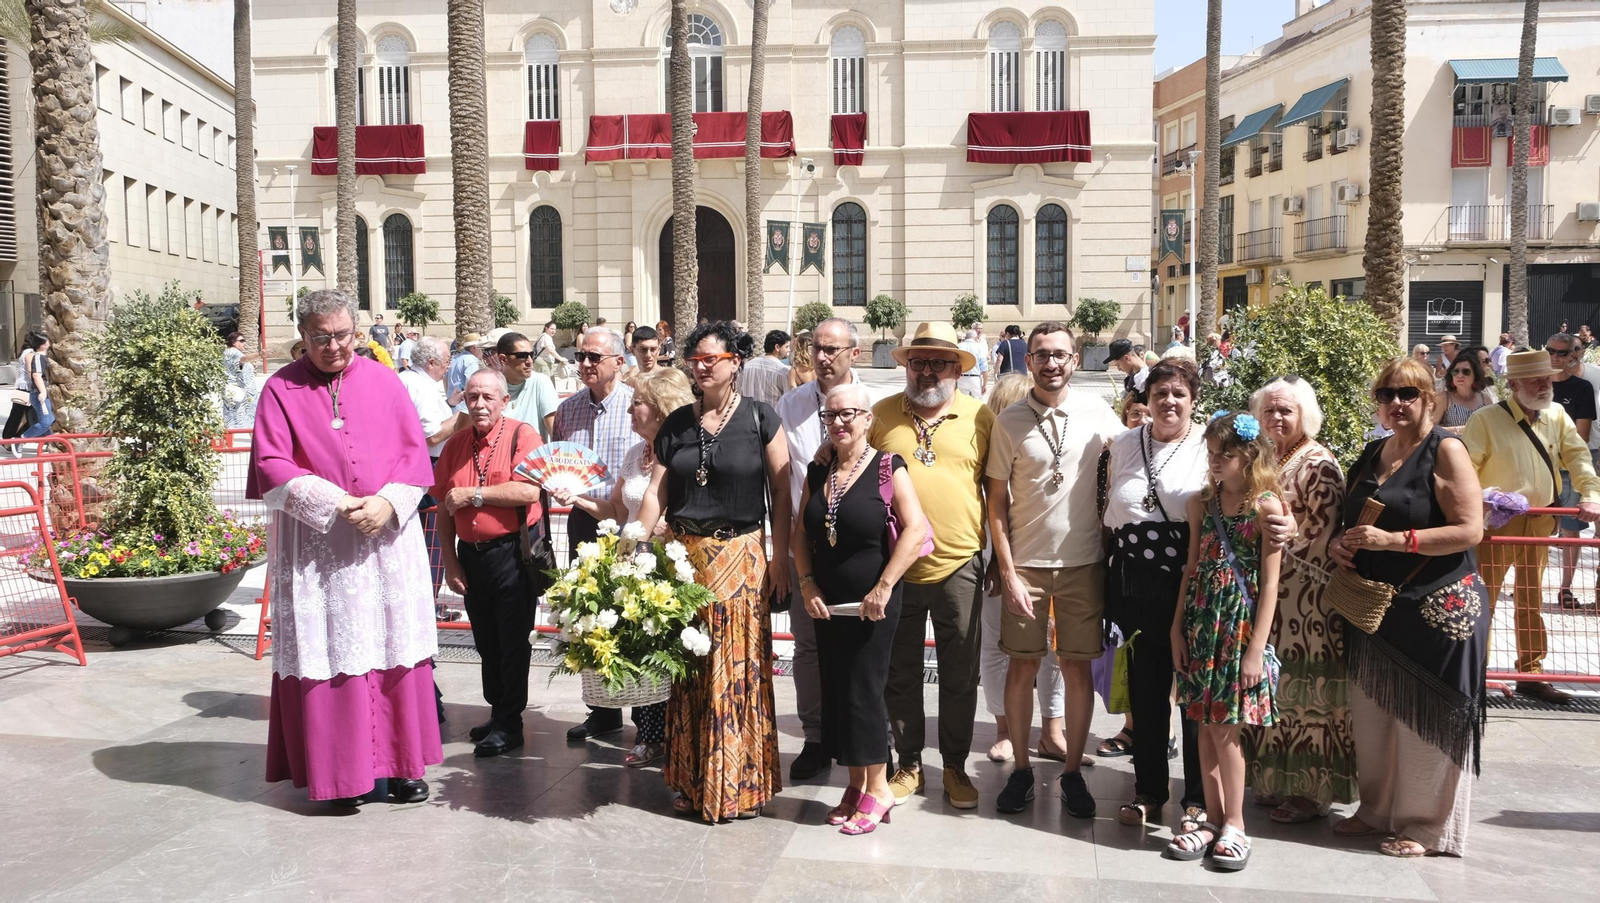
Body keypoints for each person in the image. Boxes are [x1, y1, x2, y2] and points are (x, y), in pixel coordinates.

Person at [246, 288, 441, 806]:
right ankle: (339, 775)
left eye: (342, 335)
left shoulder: (385, 381)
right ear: (303, 336)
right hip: (319, 550)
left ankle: (401, 766)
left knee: (391, 645)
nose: (333, 346)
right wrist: (335, 502)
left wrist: (389, 505)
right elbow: (270, 466)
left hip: (384, 545)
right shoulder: (280, 389)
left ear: (355, 331)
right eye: (320, 338)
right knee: (329, 650)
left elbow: (415, 458)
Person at [1328, 356, 1488, 858]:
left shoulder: (1446, 449)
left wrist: (1394, 541)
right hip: (1375, 608)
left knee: (1429, 722)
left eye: (1408, 393)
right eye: (1386, 394)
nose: (1396, 403)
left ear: (1430, 398)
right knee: (1373, 715)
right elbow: (1347, 520)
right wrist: (1339, 545)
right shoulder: (1373, 452)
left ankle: (1425, 826)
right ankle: (1376, 810)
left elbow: (1469, 529)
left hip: (1438, 608)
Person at [633, 322, 791, 822]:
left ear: (735, 362)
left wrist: (782, 558)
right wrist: (633, 538)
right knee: (691, 674)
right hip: (685, 563)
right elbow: (657, 491)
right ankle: (691, 778)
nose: (702, 366)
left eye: (712, 358)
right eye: (695, 358)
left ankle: (739, 783)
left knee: (736, 672)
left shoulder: (763, 418)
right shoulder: (678, 422)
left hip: (741, 558)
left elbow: (784, 493)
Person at [986, 322, 1124, 817]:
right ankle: (1021, 769)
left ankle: (1070, 775)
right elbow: (995, 504)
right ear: (1029, 361)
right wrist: (1007, 571)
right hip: (1027, 566)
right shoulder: (1009, 423)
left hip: (1084, 564)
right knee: (1022, 666)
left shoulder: (1098, 413)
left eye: (1060, 354)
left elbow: (1142, 451)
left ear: (1075, 358)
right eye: (1042, 355)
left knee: (1076, 667)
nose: (1051, 363)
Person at [793, 383, 928, 835]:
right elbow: (800, 535)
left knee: (865, 691)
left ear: (869, 419)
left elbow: (915, 529)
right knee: (837, 690)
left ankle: (879, 787)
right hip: (827, 603)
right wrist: (808, 584)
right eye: (830, 416)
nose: (839, 423)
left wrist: (885, 586)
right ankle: (855, 784)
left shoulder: (888, 466)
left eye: (849, 414)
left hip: (874, 602)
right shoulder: (819, 472)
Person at [871, 322, 995, 810]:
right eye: (918, 362)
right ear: (906, 366)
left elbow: (997, 491)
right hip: (896, 566)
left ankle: (956, 766)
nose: (927, 372)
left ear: (957, 370)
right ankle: (909, 764)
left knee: (960, 672)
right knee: (899, 671)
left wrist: (997, 558)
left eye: (938, 362)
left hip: (959, 563)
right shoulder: (880, 415)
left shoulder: (980, 417)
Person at [552, 367, 692, 767]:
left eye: (638, 403)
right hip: (631, 559)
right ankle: (648, 736)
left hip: (671, 563)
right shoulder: (635, 455)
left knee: (668, 652)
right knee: (640, 649)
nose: (630, 410)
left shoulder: (683, 455)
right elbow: (616, 508)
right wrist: (577, 497)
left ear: (662, 409)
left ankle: (673, 734)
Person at [1164, 412, 1283, 869]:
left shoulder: (1266, 507)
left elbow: (1271, 584)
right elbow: (1191, 567)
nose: (1214, 461)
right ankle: (1211, 819)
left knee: (1226, 728)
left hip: (1238, 629)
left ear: (1249, 455)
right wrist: (1177, 627)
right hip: (1201, 623)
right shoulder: (1201, 503)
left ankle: (1236, 822)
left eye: (1225, 454)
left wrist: (1256, 649)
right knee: (1201, 723)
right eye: (1211, 453)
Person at [1243, 377, 1357, 824]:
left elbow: (1322, 533)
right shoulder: (1270, 459)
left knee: (1310, 698)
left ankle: (1312, 792)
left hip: (1310, 604)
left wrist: (1281, 544)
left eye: (1285, 411)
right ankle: (1277, 782)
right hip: (1276, 600)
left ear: (1303, 415)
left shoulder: (1318, 463)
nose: (1276, 418)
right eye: (1269, 410)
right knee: (1278, 692)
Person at [1104, 358, 1209, 832]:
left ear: (1192, 400)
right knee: (1146, 692)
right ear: (1145, 399)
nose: (1169, 401)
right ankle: (1148, 789)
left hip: (1190, 584)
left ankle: (1199, 797)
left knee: (1191, 691)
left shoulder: (1210, 446)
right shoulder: (1124, 443)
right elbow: (1109, 511)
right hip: (1134, 583)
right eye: (1160, 393)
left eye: (1179, 394)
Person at [1462, 349, 1600, 705]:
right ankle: (1474, 675)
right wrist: (1484, 499)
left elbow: (1578, 456)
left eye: (1547, 377)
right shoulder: (1486, 419)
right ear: (1514, 384)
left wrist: (1592, 493)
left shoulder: (1557, 415)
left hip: (1540, 523)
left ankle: (1531, 674)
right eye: (1536, 379)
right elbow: (1463, 472)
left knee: (1530, 601)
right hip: (1496, 526)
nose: (1545, 384)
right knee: (1484, 602)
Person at [434, 369, 552, 758]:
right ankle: (498, 710)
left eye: (488, 397)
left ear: (505, 401)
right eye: (472, 397)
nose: (480, 404)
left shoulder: (522, 435)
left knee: (512, 641)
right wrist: (450, 563)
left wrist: (475, 496)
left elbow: (528, 489)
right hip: (472, 555)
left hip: (511, 554)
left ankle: (509, 722)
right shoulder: (455, 445)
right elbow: (445, 508)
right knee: (486, 641)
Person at [775, 317, 864, 782]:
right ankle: (815, 738)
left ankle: (867, 739)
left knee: (861, 648)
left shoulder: (873, 406)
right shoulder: (788, 407)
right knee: (807, 648)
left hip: (859, 553)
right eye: (816, 349)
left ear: (855, 353)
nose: (823, 357)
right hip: (805, 550)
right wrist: (780, 556)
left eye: (833, 349)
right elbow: (779, 484)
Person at [555, 328, 643, 742]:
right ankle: (602, 710)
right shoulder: (568, 410)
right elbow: (558, 464)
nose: (586, 364)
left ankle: (647, 717)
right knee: (589, 614)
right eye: (580, 356)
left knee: (635, 615)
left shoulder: (637, 406)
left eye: (594, 357)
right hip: (584, 521)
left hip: (631, 524)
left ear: (618, 363)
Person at [978, 373, 1065, 764]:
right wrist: (998, 562)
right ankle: (1009, 731)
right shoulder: (989, 445)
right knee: (1001, 645)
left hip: (1047, 560)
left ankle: (1050, 731)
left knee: (1050, 647)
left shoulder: (1048, 445)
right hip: (999, 561)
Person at [400, 336, 467, 599]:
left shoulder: (406, 380)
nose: (449, 367)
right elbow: (433, 435)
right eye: (446, 362)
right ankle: (429, 602)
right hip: (428, 466)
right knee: (433, 538)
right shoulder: (421, 387)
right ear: (431, 363)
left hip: (412, 466)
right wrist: (463, 416)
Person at [1549, 332, 1600, 607]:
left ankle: (1565, 588)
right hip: (1539, 467)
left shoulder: (1581, 388)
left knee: (1571, 529)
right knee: (1534, 527)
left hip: (1571, 467)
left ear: (1573, 355)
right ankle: (1528, 584)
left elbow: (1581, 436)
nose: (1554, 357)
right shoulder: (1537, 382)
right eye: (1550, 351)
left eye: (1561, 352)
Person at [495, 331, 559, 441]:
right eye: (522, 356)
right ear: (503, 359)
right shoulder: (487, 385)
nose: (529, 361)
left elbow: (556, 432)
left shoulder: (540, 382)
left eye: (531, 355)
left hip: (534, 456)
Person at [2, 332, 44, 450]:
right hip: (27, 389)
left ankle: (10, 440)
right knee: (23, 416)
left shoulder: (25, 352)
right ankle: (9, 441)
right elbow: (31, 373)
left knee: (21, 416)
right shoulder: (30, 353)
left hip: (23, 387)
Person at [1439, 352, 1494, 433]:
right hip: (1455, 444)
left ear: (1475, 374)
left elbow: (1492, 426)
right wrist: (1460, 429)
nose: (1460, 375)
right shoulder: (1444, 398)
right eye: (1455, 371)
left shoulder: (1485, 398)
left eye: (1466, 371)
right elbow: (1431, 428)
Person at [737, 329, 793, 406]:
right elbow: (789, 401)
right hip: (774, 416)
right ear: (777, 347)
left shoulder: (745, 368)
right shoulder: (784, 372)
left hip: (747, 415)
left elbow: (738, 395)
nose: (789, 350)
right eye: (786, 347)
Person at [221, 332, 264, 430]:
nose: (244, 343)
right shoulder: (232, 352)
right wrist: (260, 354)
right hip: (239, 394)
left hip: (241, 394)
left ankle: (251, 441)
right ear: (233, 342)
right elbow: (243, 359)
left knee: (243, 420)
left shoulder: (230, 352)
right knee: (236, 419)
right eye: (241, 341)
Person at [19, 333, 53, 441]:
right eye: (47, 341)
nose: (49, 342)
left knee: (50, 420)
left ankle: (50, 442)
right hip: (39, 394)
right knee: (45, 422)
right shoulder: (38, 357)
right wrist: (43, 392)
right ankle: (22, 439)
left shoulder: (43, 357)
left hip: (41, 393)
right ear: (42, 345)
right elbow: (36, 375)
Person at [446, 333, 485, 410]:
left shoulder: (455, 358)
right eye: (480, 348)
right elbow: (473, 384)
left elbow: (445, 380)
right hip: (464, 406)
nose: (482, 351)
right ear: (474, 348)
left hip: (451, 403)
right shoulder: (471, 361)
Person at [1107, 337, 1148, 402]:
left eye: (1118, 365)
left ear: (1126, 358)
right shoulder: (1132, 376)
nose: (1118, 369)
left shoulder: (1146, 378)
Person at [957, 329, 989, 398]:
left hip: (961, 377)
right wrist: (985, 384)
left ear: (966, 337)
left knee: (962, 402)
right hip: (975, 378)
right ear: (975, 337)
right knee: (978, 402)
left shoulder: (959, 347)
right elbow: (984, 367)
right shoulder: (979, 348)